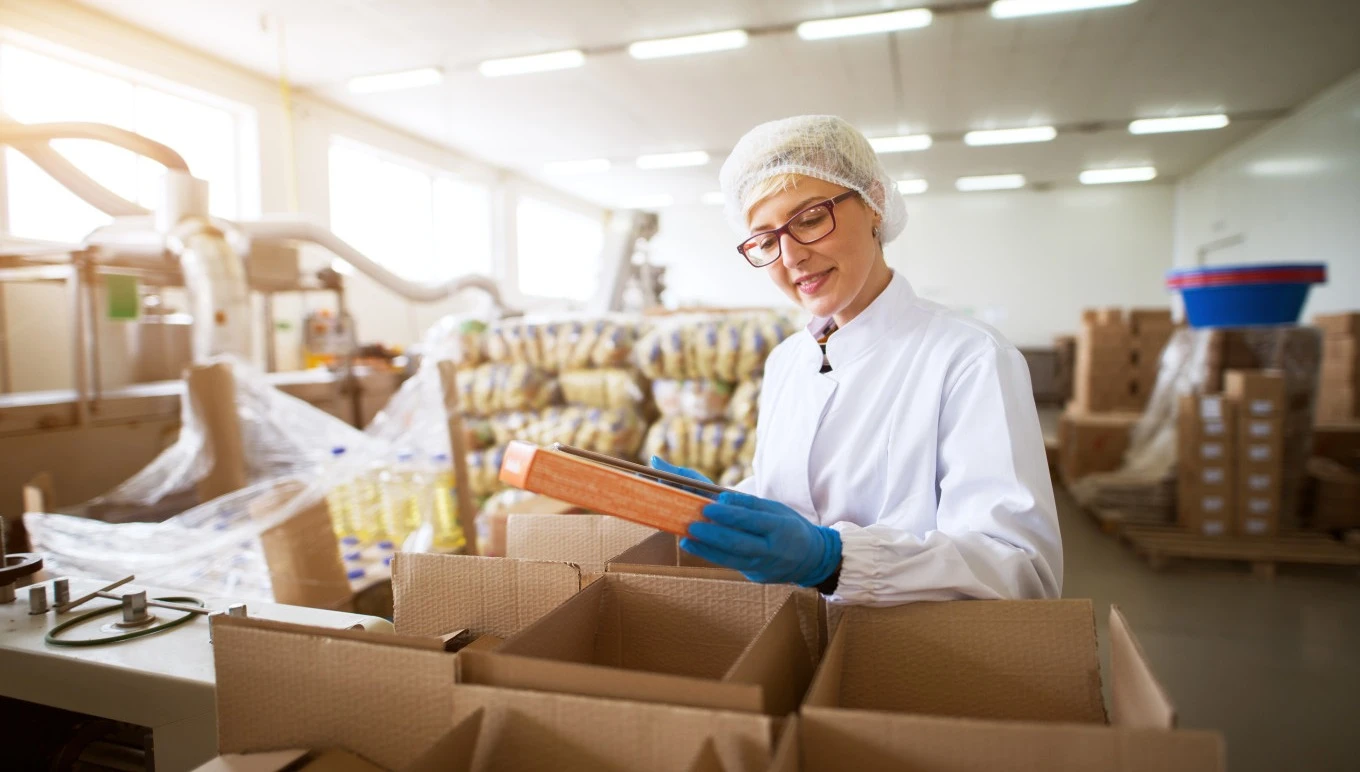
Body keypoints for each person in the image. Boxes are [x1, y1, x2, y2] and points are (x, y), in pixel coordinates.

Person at [650, 115, 1062, 605]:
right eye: (765, 240)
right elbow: (799, 494)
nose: (790, 257)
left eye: (808, 220)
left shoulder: (969, 358)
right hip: (794, 645)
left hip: (915, 662)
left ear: (874, 204)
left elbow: (1020, 570)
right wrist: (731, 506)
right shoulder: (787, 362)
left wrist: (835, 559)